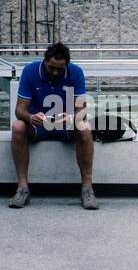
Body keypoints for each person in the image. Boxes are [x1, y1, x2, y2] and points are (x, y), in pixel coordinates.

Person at [9, 42, 98, 210]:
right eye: (51, 68)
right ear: (44, 61)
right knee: (18, 127)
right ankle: (22, 188)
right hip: (38, 126)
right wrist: (31, 117)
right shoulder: (30, 71)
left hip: (65, 126)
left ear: (67, 65)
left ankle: (87, 189)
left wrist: (71, 118)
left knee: (85, 127)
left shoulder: (76, 72)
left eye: (60, 69)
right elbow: (19, 110)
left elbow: (82, 111)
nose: (55, 72)